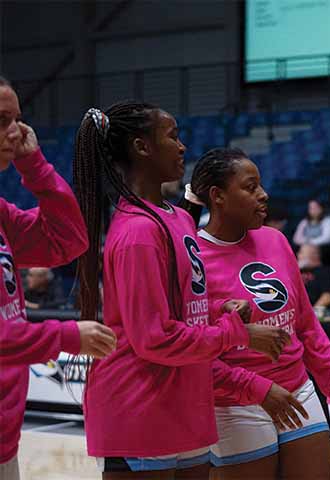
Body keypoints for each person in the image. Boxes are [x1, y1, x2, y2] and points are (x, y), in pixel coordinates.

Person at [73, 102, 289, 479]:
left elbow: (186, 305)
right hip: (140, 409)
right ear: (142, 147)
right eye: (172, 136)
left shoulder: (176, 217)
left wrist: (222, 309)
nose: (183, 146)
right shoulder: (138, 232)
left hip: (184, 405)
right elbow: (154, 337)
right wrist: (240, 335)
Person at [180, 148, 330, 479]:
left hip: (297, 387)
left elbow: (307, 327)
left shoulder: (276, 241)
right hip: (234, 402)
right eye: (250, 187)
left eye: (260, 185)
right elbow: (193, 351)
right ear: (218, 196)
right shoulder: (192, 256)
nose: (263, 195)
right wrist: (257, 389)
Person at [0, 77, 117, 480]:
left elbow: (68, 240)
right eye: (1, 120)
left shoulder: (1, 214)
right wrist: (68, 336)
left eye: (17, 119)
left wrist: (34, 165)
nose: (14, 133)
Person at [297, 244, 330, 310]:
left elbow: (328, 296)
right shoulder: (297, 272)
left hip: (315, 314)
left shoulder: (324, 272)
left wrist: (310, 313)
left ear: (315, 255)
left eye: (302, 252)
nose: (298, 255)